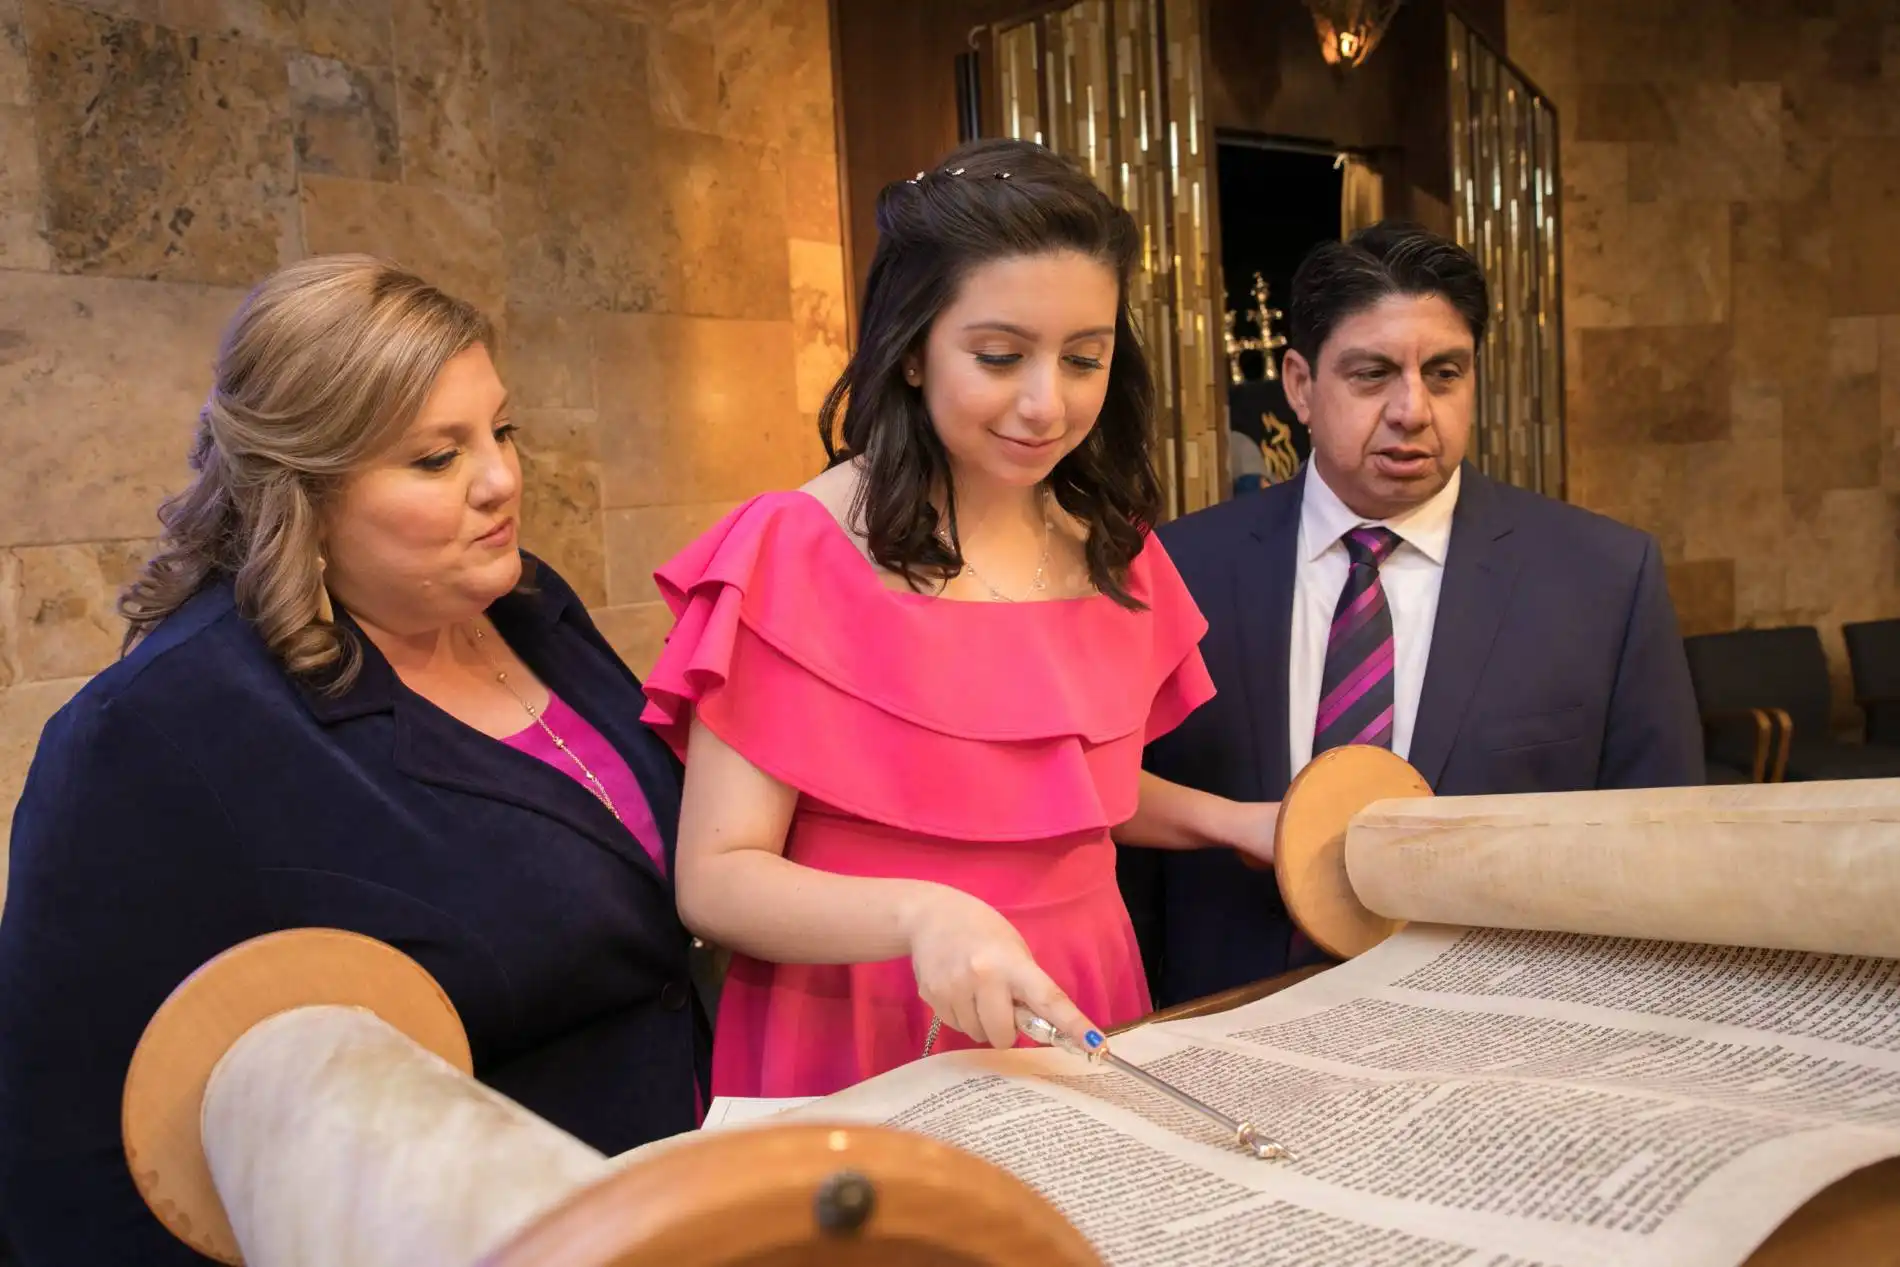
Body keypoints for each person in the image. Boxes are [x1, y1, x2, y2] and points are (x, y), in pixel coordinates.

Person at [0, 257, 706, 1266]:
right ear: (305, 491)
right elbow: (68, 1161)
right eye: (435, 459)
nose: (502, 478)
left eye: (499, 431)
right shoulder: (155, 733)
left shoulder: (528, 605)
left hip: (678, 1206)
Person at [638, 138, 1278, 1099]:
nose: (1045, 403)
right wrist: (921, 916)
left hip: (1081, 985)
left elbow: (1052, 788)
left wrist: (1240, 822)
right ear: (908, 350)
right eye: (999, 355)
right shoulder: (794, 549)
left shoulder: (1113, 548)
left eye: (1083, 359)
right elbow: (719, 878)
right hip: (863, 1002)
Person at [1128, 222, 1704, 1007]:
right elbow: (1123, 842)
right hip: (1227, 1028)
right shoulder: (1179, 570)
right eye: (1371, 375)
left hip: (1503, 1038)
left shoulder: (1603, 578)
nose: (1412, 409)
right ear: (1299, 385)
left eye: (1444, 373)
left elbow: (1659, 855)